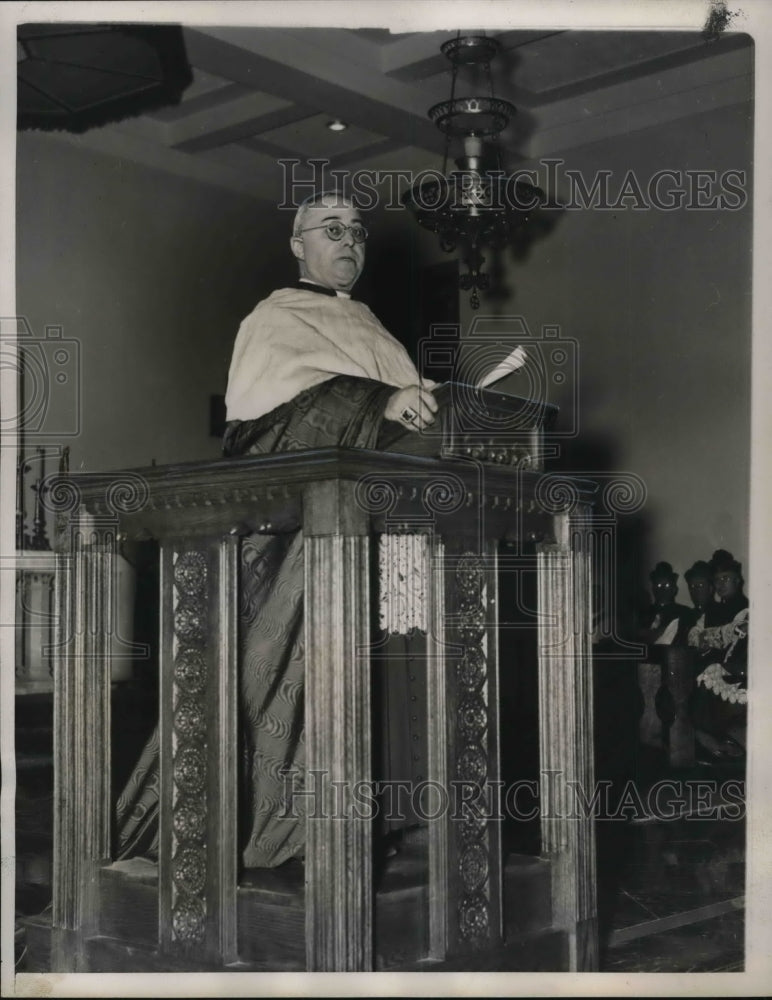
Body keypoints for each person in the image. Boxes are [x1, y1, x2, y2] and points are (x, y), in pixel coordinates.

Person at [116, 192, 438, 868]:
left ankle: (394, 824)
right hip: (306, 546)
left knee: (393, 675)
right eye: (331, 229)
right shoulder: (274, 319)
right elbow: (259, 434)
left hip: (390, 540)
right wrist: (382, 403)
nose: (348, 240)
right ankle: (298, 834)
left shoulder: (374, 327)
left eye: (357, 231)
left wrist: (423, 408)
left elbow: (402, 428)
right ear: (298, 245)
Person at [688, 549, 748, 761]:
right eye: (717, 580)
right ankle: (705, 742)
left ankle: (715, 743)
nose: (720, 584)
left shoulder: (747, 608)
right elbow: (693, 637)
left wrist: (709, 636)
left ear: (738, 580)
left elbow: (736, 633)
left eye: (726, 578)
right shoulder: (711, 610)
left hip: (733, 668)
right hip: (704, 663)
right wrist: (717, 635)